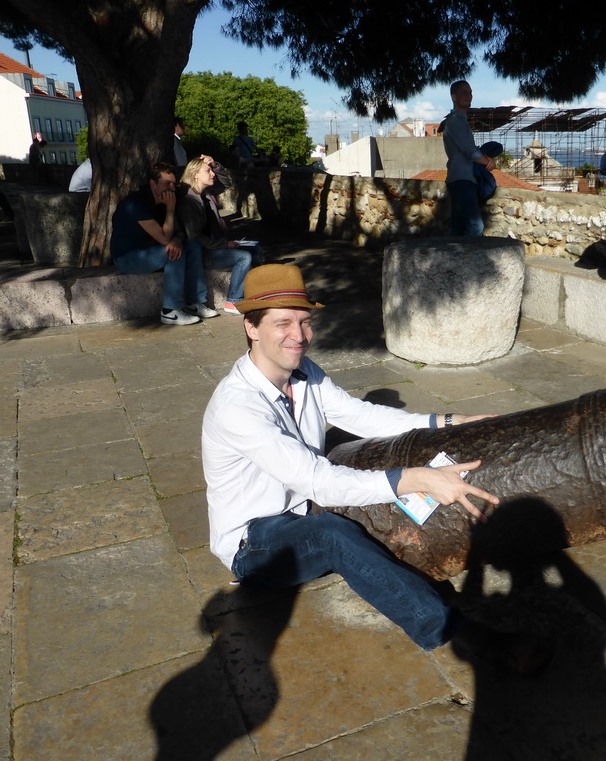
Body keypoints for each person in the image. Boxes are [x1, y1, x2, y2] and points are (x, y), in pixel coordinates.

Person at [202, 264, 549, 672]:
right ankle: (468, 637)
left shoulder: (303, 374)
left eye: (304, 322)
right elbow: (321, 482)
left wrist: (449, 422)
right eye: (283, 324)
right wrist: (417, 479)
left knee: (379, 483)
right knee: (334, 532)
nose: (298, 336)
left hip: (306, 505)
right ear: (251, 328)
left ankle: (418, 578)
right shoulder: (237, 406)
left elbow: (362, 417)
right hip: (255, 542)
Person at [110, 162, 216, 326]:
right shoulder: (136, 204)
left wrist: (176, 238)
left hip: (151, 250)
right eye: (167, 183)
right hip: (128, 257)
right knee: (173, 252)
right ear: (153, 184)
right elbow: (165, 239)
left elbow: (179, 233)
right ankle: (170, 311)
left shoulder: (162, 201)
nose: (172, 188)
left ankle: (195, 302)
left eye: (174, 183)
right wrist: (171, 210)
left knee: (192, 245)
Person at [178, 155, 261, 315]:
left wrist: (215, 164)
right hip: (203, 253)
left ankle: (254, 293)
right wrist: (225, 244)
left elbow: (226, 183)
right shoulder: (190, 201)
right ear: (195, 174)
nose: (213, 174)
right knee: (244, 257)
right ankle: (233, 300)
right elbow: (195, 237)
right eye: (208, 171)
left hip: (212, 246)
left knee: (255, 248)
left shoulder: (205, 195)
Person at [442, 80, 496, 236]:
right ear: (454, 97)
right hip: (462, 180)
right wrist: (488, 162)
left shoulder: (459, 121)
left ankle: (451, 259)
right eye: (464, 92)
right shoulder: (455, 121)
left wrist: (483, 156)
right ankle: (468, 260)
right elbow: (469, 152)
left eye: (470, 92)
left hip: (460, 178)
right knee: (475, 226)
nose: (469, 95)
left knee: (457, 228)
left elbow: (468, 150)